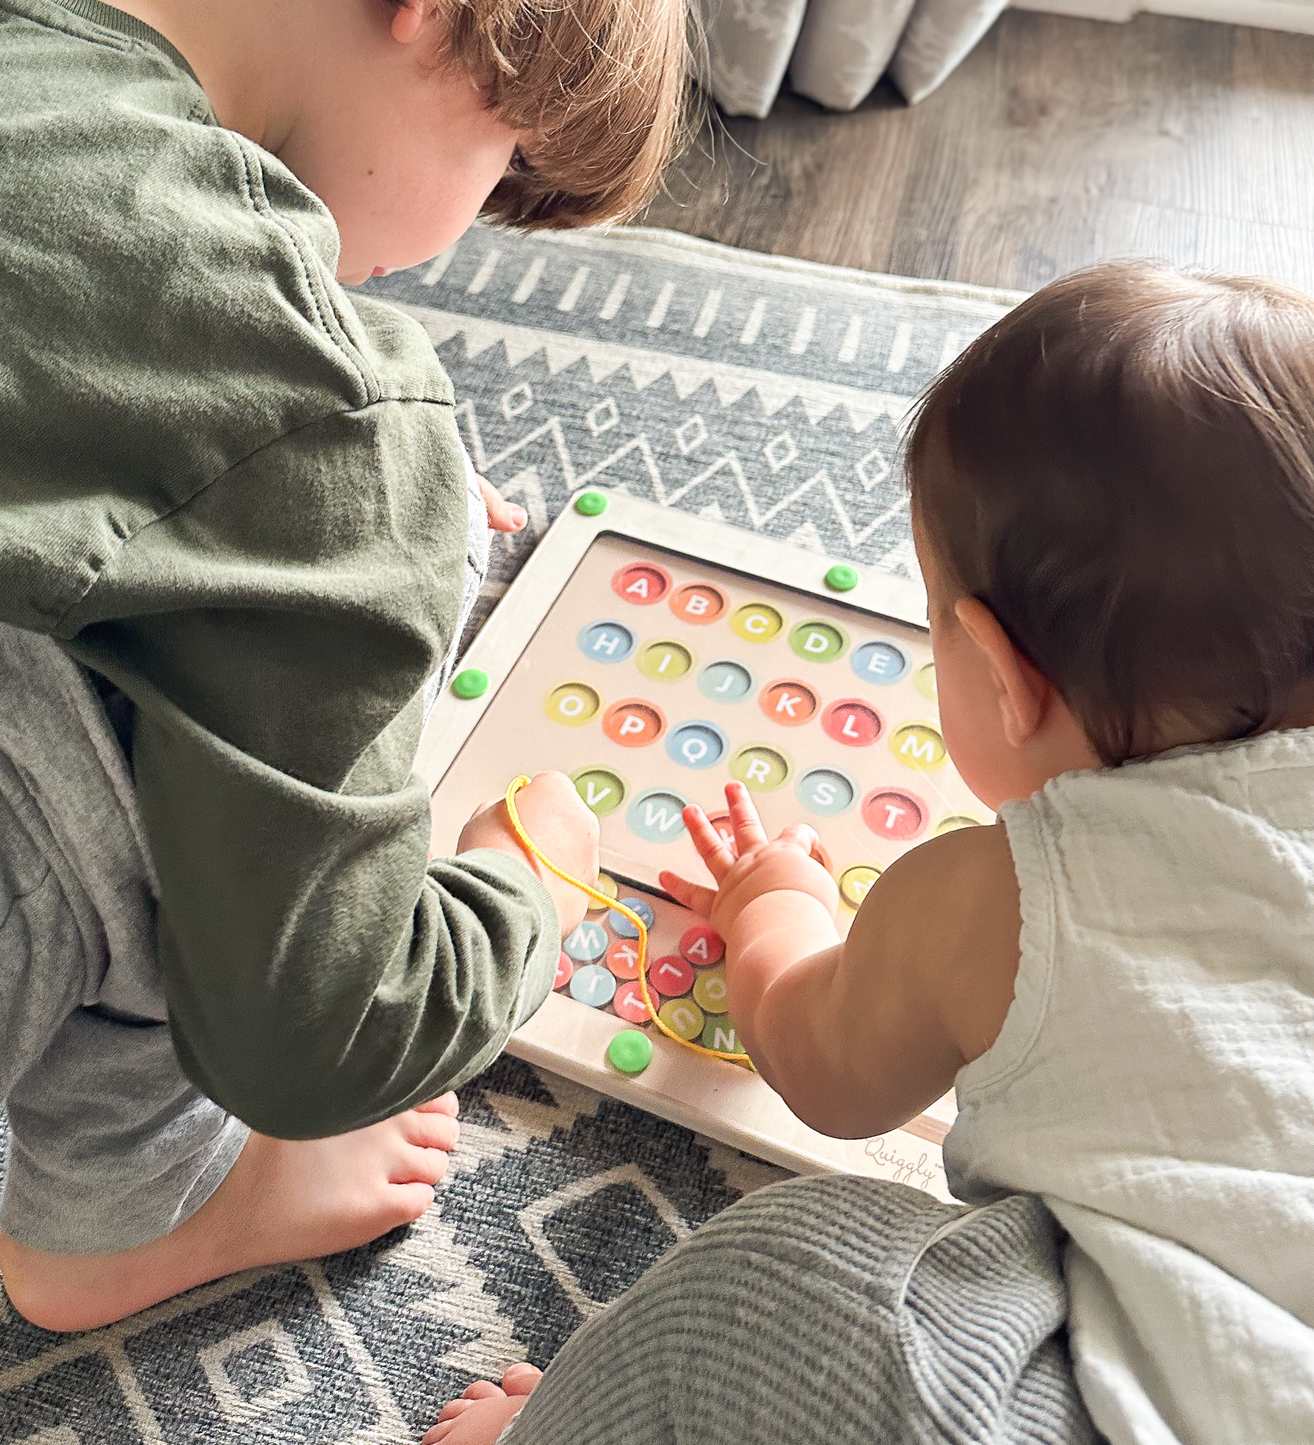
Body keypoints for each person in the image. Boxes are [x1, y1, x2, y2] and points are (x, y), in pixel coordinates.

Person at [0, 0, 695, 1331]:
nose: (469, 226)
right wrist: (527, 896)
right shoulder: (316, 394)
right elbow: (322, 1030)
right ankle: (133, 1214)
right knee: (208, 671)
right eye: (510, 172)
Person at [423, 261, 1314, 1445]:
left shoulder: (999, 900)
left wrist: (773, 904)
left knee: (803, 1283)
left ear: (1000, 676)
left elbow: (823, 1063)